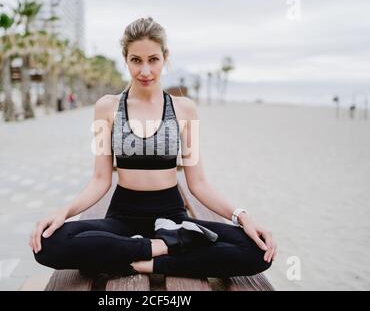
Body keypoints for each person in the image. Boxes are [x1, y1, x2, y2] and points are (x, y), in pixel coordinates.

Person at [30, 17, 276, 278]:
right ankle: (156, 248)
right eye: (136, 60)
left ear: (165, 57)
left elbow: (199, 183)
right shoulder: (107, 107)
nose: (145, 71)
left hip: (173, 220)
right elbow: (100, 180)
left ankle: (153, 260)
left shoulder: (184, 109)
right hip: (122, 217)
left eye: (153, 60)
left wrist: (242, 216)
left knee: (256, 250)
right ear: (126, 59)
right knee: (47, 244)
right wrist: (63, 212)